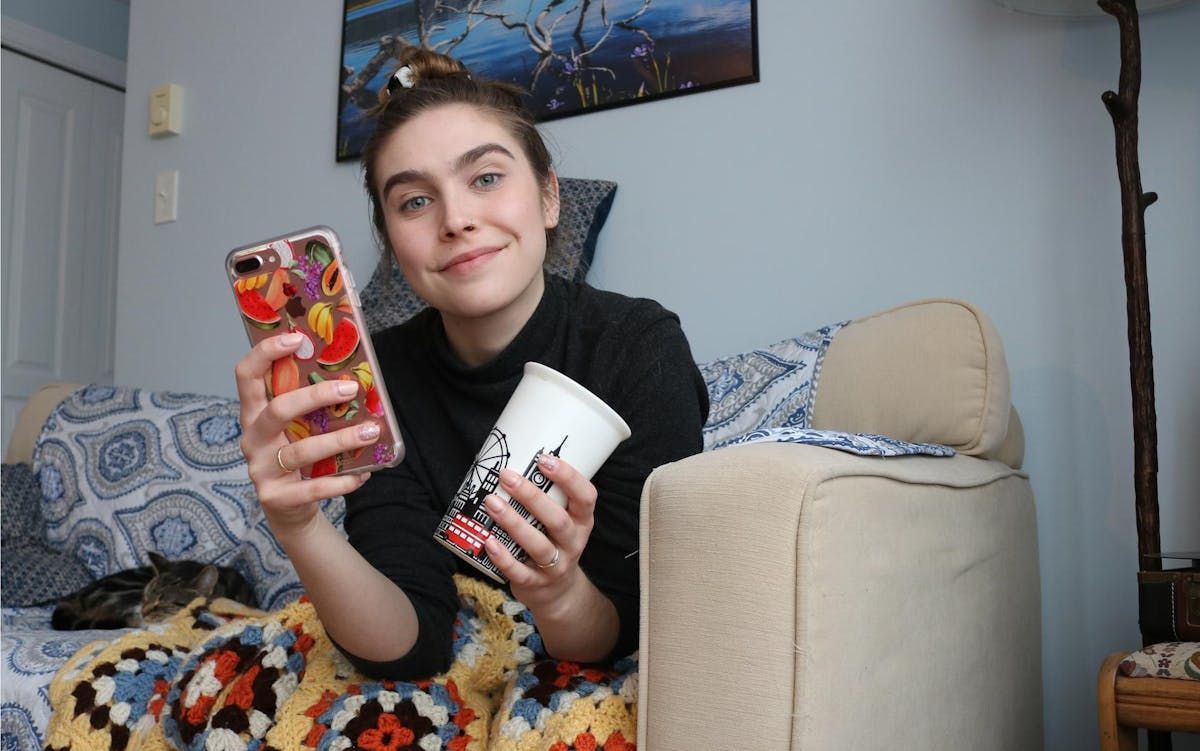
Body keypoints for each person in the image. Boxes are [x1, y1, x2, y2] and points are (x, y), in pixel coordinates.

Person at [234, 48, 709, 681]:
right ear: (391, 242)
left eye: (485, 178)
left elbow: (627, 627)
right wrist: (298, 527)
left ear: (548, 198)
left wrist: (558, 593)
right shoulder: (382, 380)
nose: (456, 220)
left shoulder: (637, 347)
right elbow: (408, 646)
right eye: (414, 202)